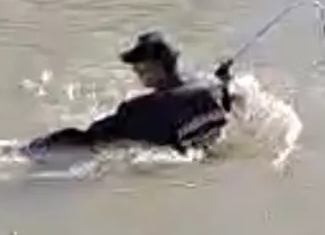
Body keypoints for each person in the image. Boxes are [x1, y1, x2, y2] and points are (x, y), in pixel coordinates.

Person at [22, 31, 233, 160]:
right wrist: (221, 77)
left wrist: (37, 147)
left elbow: (90, 137)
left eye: (139, 67)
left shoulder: (144, 108)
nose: (135, 72)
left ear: (158, 67)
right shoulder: (211, 84)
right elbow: (223, 94)